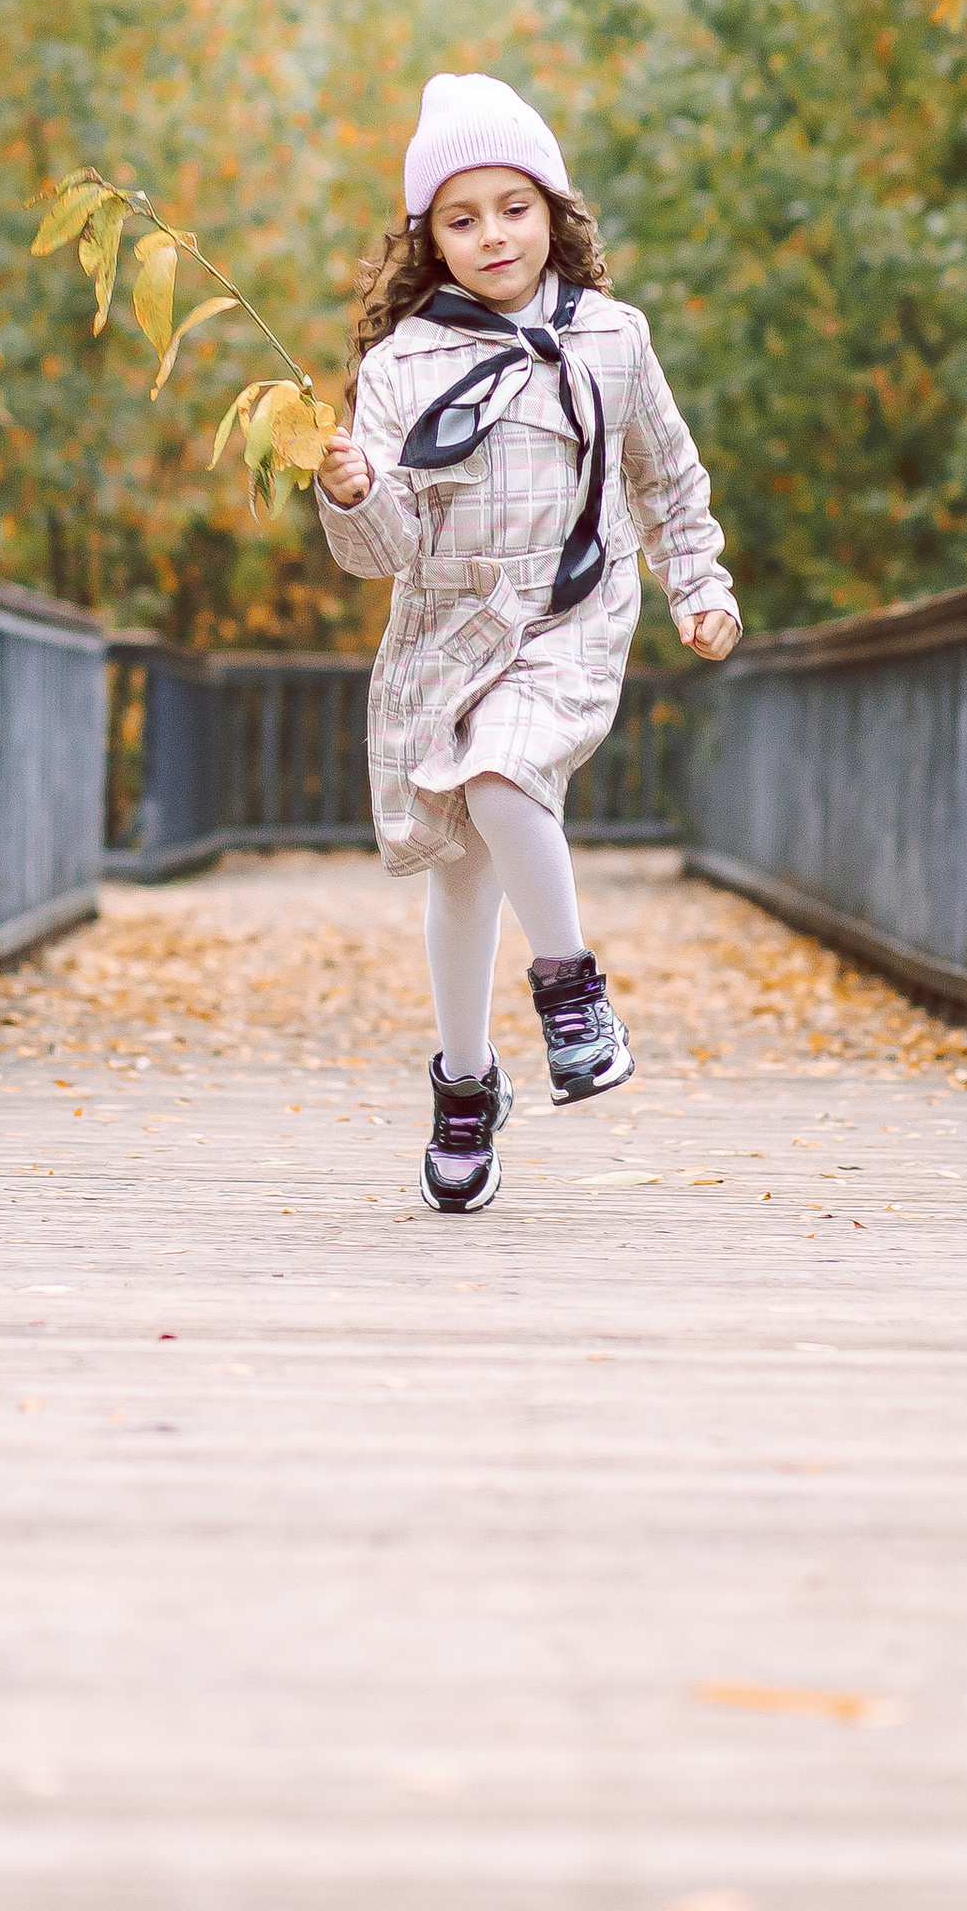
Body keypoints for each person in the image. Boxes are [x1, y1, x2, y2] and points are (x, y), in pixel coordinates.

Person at [316, 73, 743, 1214]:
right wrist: (354, 491)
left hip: (569, 616)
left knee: (506, 776)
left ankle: (569, 989)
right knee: (460, 868)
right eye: (461, 217)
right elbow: (381, 551)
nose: (492, 234)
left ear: (553, 208)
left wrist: (701, 583)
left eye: (513, 206)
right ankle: (464, 1084)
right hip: (446, 636)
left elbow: (666, 477)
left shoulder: (611, 338)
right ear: (430, 242)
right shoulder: (401, 367)